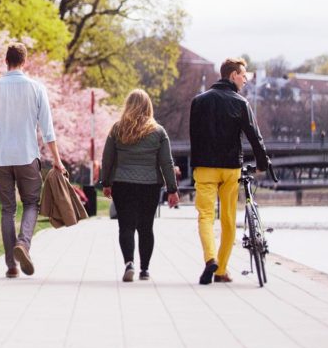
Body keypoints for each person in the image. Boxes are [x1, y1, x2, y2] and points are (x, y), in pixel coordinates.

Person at [0, 43, 67, 278]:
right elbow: (48, 130)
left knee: (8, 209)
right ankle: (24, 243)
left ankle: (11, 265)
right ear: (24, 61)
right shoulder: (36, 88)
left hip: (1, 158)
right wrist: (57, 161)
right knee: (31, 204)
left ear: (5, 61)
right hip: (27, 155)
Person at [190, 57, 271, 285]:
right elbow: (254, 136)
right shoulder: (240, 103)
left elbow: (194, 137)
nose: (245, 80)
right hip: (230, 169)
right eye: (243, 75)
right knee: (227, 220)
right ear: (233, 75)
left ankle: (210, 259)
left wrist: (195, 163)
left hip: (205, 168)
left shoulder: (199, 102)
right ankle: (221, 270)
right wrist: (262, 162)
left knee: (205, 216)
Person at [100, 89, 179, 282]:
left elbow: (107, 158)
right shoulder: (158, 132)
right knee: (146, 227)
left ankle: (129, 263)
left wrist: (107, 182)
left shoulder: (117, 129)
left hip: (123, 184)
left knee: (125, 226)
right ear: (148, 106)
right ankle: (144, 269)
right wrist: (172, 189)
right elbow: (166, 162)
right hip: (149, 184)